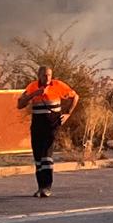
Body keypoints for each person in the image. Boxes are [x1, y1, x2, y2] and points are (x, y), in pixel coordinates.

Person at [16, 66, 78, 198]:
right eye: (44, 75)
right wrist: (34, 94)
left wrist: (67, 114)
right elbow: (20, 104)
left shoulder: (58, 85)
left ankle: (47, 186)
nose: (47, 78)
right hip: (38, 123)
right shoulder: (32, 86)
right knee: (38, 155)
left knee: (47, 154)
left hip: (52, 124)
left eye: (49, 75)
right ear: (39, 75)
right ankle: (40, 187)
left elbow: (75, 96)